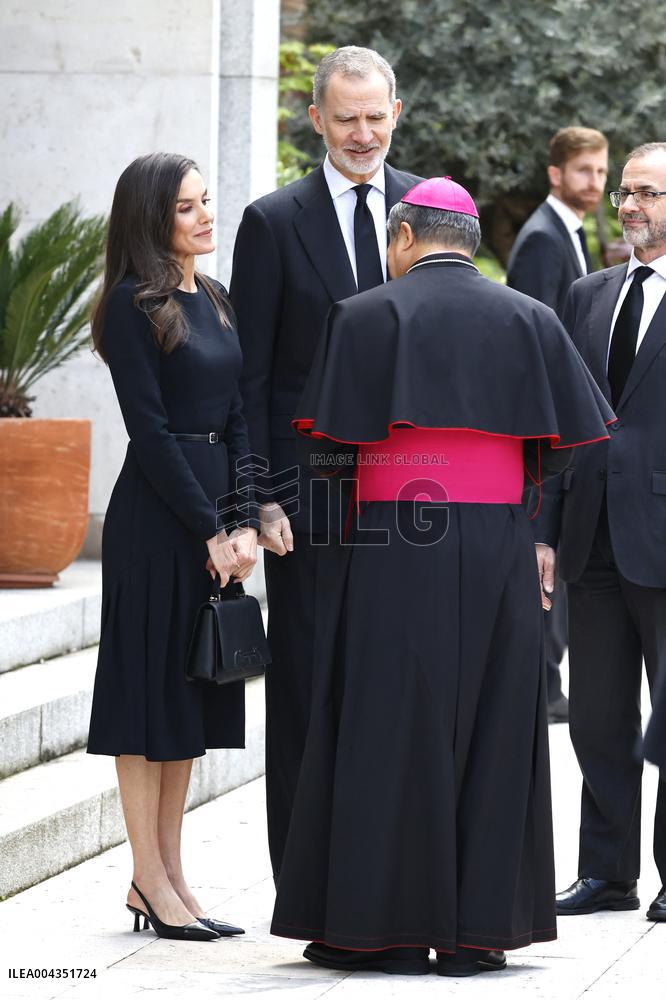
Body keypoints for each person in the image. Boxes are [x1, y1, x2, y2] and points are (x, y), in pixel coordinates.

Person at [270, 177, 614, 976]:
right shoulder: (530, 317)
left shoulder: (361, 317)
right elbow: (570, 440)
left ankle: (379, 931)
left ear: (401, 237)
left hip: (394, 539)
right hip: (497, 540)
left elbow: (327, 449)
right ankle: (477, 933)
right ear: (467, 239)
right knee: (494, 721)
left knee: (387, 722)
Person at [229, 45, 419, 881]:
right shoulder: (273, 221)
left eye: (376, 117)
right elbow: (252, 378)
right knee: (306, 688)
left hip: (417, 497)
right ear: (316, 119)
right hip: (306, 499)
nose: (363, 133)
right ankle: (305, 883)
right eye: (346, 117)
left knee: (394, 684)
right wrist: (259, 499)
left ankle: (383, 874)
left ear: (396, 114)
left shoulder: (429, 207)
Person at [87, 153, 258, 940]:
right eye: (187, 208)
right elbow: (149, 434)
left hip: (218, 503)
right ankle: (147, 877)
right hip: (159, 520)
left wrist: (249, 514)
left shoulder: (217, 299)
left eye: (206, 202)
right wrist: (210, 529)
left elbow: (244, 410)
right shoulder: (131, 305)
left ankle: (169, 877)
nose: (204, 216)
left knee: (189, 693)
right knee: (147, 694)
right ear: (152, 218)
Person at [535, 143, 666, 922]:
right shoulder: (588, 294)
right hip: (592, 539)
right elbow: (561, 425)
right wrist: (545, 529)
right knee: (597, 718)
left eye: (649, 193)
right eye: (626, 192)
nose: (630, 206)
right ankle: (607, 873)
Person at [507, 126, 609, 723]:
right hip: (547, 437)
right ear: (555, 174)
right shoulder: (544, 240)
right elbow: (537, 341)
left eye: (601, 172)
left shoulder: (571, 231)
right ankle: (542, 689)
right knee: (543, 560)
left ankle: (549, 685)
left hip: (564, 434)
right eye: (583, 172)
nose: (594, 183)